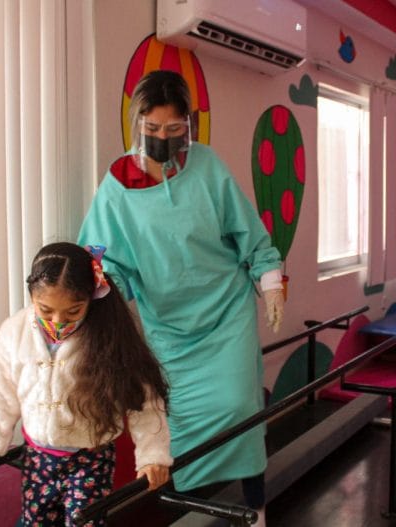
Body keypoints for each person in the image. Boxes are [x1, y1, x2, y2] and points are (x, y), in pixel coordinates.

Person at [78, 70, 284, 523]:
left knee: (241, 410)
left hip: (226, 314)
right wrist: (95, 304)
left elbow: (247, 230)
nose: (163, 139)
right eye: (153, 129)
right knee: (179, 427)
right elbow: (104, 263)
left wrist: (270, 282)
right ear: (137, 123)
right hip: (169, 327)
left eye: (174, 129)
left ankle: (256, 510)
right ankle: (192, 512)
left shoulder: (207, 166)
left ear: (188, 126)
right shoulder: (117, 187)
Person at [0, 242, 172, 526]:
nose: (58, 321)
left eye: (73, 312)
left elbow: (144, 402)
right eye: (45, 310)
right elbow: (3, 396)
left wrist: (152, 456)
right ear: (31, 295)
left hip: (90, 459)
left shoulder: (108, 335)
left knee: (83, 522)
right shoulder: (14, 332)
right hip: (38, 457)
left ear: (91, 299)